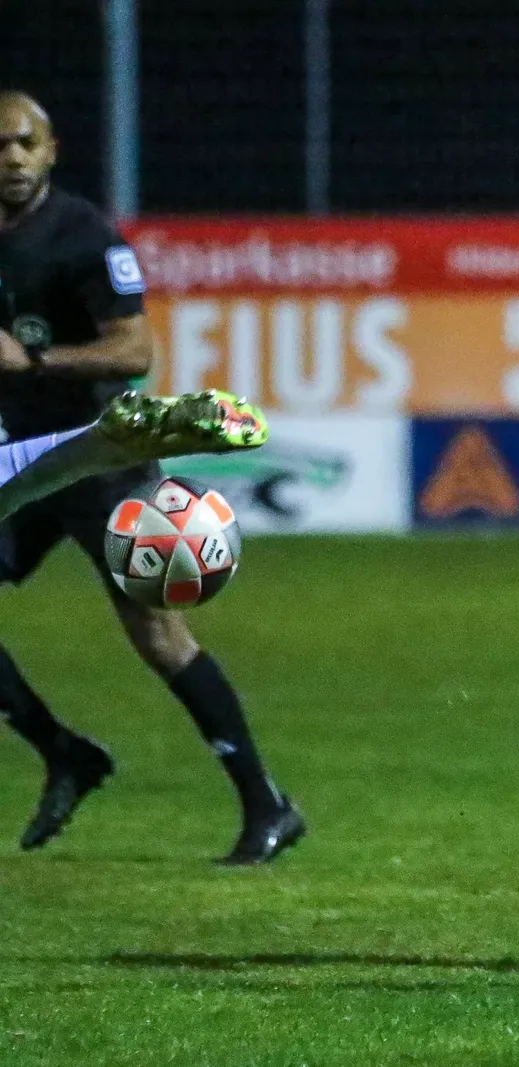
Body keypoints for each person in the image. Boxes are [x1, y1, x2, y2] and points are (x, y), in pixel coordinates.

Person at [0, 91, 301, 864]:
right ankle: (63, 750)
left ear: (51, 150)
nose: (12, 158)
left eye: (25, 143)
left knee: (159, 635)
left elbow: (134, 351)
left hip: (101, 459)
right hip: (22, 461)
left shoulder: (82, 235)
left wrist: (33, 359)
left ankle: (266, 804)